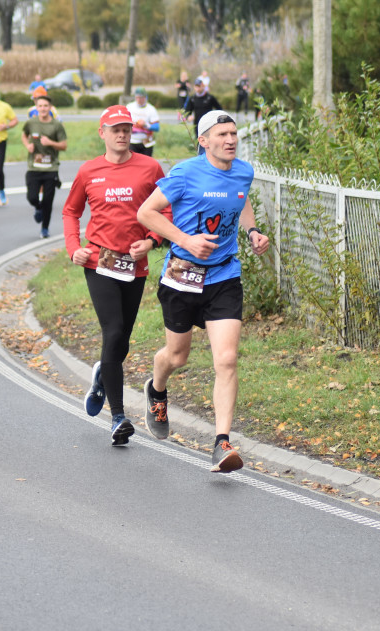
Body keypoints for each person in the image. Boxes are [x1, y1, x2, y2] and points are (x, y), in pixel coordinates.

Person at [136, 110, 270, 473]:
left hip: (224, 276)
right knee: (176, 357)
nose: (230, 140)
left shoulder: (243, 171)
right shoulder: (184, 173)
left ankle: (221, 442)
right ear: (203, 141)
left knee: (226, 359)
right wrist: (185, 240)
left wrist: (252, 232)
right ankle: (157, 388)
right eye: (222, 134)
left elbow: (241, 201)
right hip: (182, 276)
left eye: (233, 133)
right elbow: (146, 213)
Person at [62, 105, 169, 445]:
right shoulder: (88, 171)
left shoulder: (150, 167)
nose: (122, 134)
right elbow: (71, 211)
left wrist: (151, 241)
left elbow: (166, 208)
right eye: (115, 129)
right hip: (99, 262)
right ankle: (118, 416)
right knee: (112, 330)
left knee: (122, 338)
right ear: (102, 133)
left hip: (134, 265)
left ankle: (100, 380)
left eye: (127, 129)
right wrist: (72, 248)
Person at [22, 89, 67, 239]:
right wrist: (27, 145)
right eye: (40, 106)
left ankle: (45, 229)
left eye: (45, 106)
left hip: (51, 168)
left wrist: (50, 143)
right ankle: (38, 208)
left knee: (48, 200)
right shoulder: (31, 122)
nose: (42, 108)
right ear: (36, 107)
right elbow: (24, 134)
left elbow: (64, 145)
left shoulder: (56, 125)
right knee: (32, 197)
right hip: (34, 167)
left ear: (50, 108)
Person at [125, 87, 160, 157]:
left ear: (145, 97)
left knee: (146, 165)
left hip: (146, 142)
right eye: (137, 97)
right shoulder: (129, 107)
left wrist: (146, 125)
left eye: (141, 98)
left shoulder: (151, 109)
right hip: (132, 141)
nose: (139, 100)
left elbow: (157, 127)